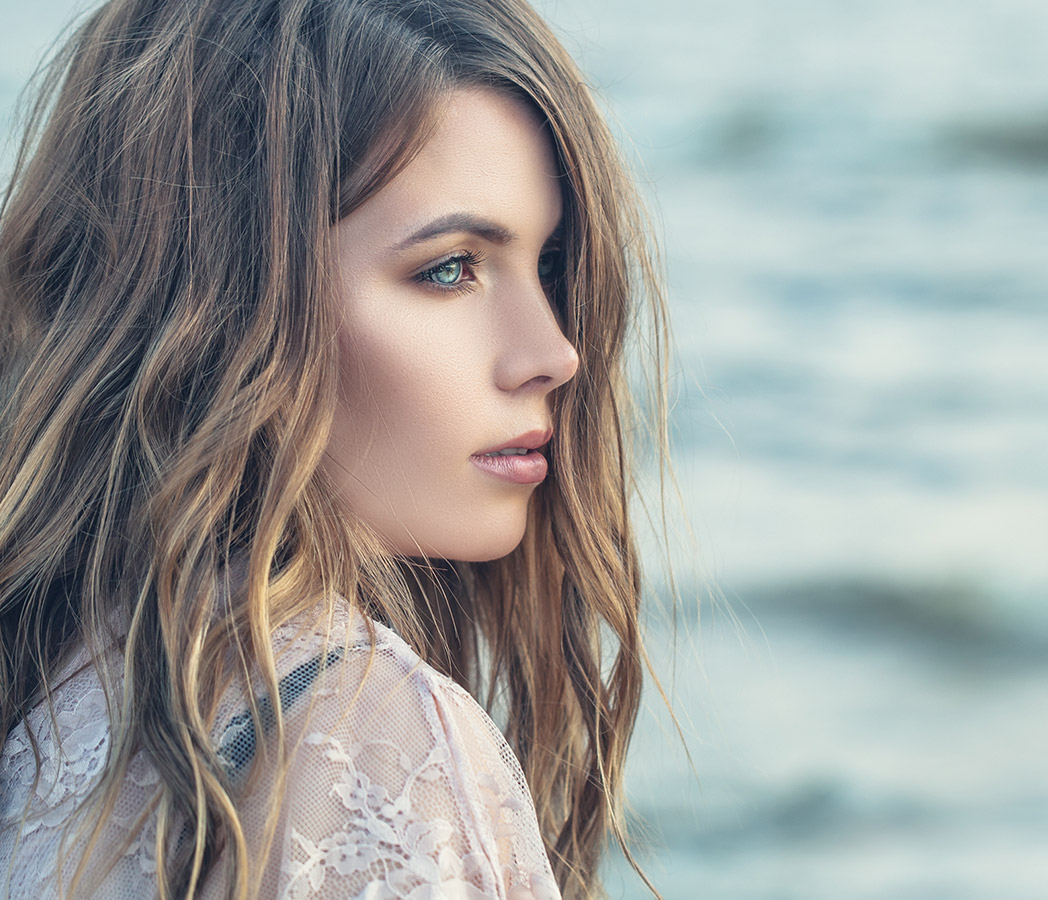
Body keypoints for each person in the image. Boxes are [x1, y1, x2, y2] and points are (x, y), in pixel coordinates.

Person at [0, 0, 672, 897]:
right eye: (449, 267)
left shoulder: (69, 680)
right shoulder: (376, 734)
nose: (555, 354)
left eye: (549, 265)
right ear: (225, 310)